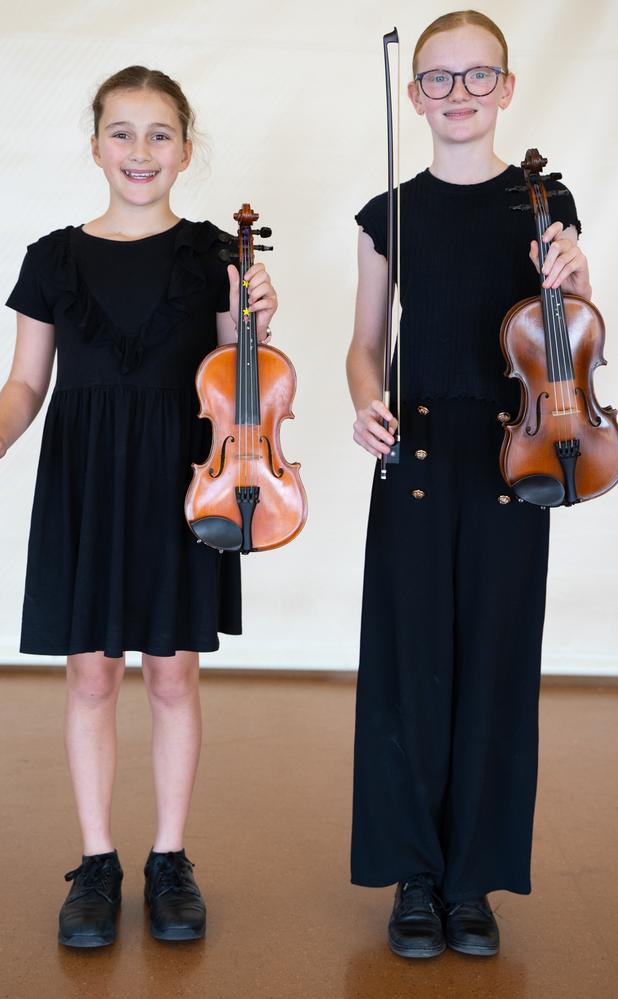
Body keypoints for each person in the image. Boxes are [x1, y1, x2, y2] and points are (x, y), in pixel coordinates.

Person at [0, 65, 277, 948]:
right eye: (122, 132)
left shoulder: (222, 253)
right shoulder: (53, 256)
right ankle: (96, 860)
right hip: (84, 478)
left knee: (173, 674)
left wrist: (256, 316)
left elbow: (239, 384)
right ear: (95, 143)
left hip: (184, 479)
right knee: (92, 673)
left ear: (186, 147)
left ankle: (170, 857)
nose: (140, 151)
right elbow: (28, 382)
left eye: (159, 134)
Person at [346, 10, 591, 959]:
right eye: (439, 79)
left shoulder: (542, 198)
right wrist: (368, 402)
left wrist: (573, 269)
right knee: (408, 666)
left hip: (513, 451)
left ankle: (471, 881)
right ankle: (414, 874)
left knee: (494, 661)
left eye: (476, 76)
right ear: (415, 96)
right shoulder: (387, 213)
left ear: (507, 87)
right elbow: (366, 346)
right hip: (412, 450)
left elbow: (564, 322)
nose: (459, 94)